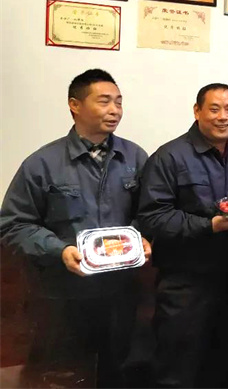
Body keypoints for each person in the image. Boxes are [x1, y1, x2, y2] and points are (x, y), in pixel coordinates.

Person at [0, 69, 149, 388]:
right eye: (104, 101)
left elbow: (149, 212)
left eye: (119, 102)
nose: (115, 110)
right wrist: (60, 250)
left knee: (119, 371)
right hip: (63, 293)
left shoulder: (135, 157)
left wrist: (142, 238)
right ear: (75, 105)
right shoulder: (43, 163)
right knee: (64, 375)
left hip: (121, 291)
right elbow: (13, 225)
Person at [136, 83, 228, 388]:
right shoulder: (170, 157)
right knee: (177, 365)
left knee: (223, 361)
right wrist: (209, 226)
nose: (223, 117)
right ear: (197, 111)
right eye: (214, 109)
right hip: (185, 283)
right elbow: (152, 217)